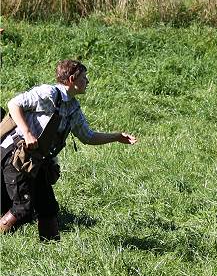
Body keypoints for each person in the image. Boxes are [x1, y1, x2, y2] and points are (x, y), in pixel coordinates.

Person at [0, 59, 137, 240]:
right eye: (84, 77)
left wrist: (116, 137)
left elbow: (88, 136)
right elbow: (13, 104)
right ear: (72, 79)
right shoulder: (48, 93)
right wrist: (26, 133)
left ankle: (51, 253)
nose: (87, 81)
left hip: (37, 161)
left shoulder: (73, 107)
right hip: (15, 157)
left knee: (48, 208)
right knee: (22, 209)